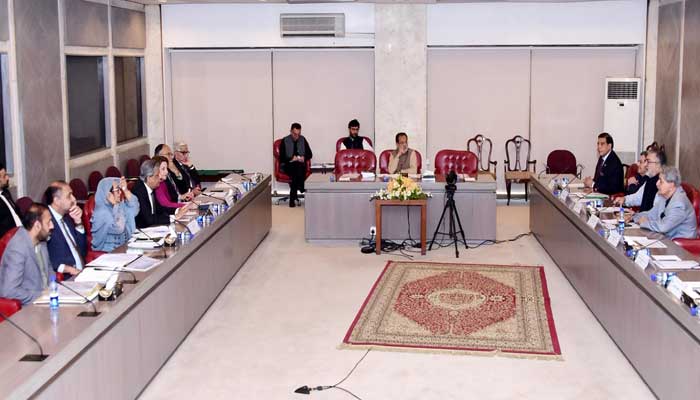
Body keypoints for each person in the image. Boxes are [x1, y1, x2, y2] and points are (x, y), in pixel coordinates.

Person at [0, 203, 55, 305]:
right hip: (30, 308)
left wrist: (55, 288)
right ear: (37, 225)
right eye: (48, 222)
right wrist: (42, 295)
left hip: (49, 300)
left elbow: (49, 268)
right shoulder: (17, 249)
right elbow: (8, 291)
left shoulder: (41, 239)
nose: (52, 226)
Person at [631, 166, 697, 239]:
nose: (657, 183)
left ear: (671, 185)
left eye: (661, 181)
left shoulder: (679, 203)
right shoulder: (665, 197)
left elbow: (663, 227)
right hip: (666, 239)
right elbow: (651, 214)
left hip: (680, 245)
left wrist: (644, 223)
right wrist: (633, 217)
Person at [44, 181, 87, 277]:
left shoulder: (66, 217)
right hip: (66, 278)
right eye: (69, 196)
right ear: (56, 200)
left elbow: (83, 251)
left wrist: (78, 222)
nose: (74, 199)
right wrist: (65, 268)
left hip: (82, 272)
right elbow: (40, 257)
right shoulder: (45, 222)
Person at [132, 159, 191, 228]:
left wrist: (177, 210)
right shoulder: (139, 191)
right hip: (142, 230)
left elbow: (160, 209)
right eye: (157, 175)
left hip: (152, 227)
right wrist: (173, 218)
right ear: (149, 177)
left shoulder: (150, 186)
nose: (160, 177)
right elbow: (149, 219)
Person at [91, 177, 139, 252]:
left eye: (120, 189)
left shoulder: (120, 205)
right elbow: (118, 228)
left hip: (125, 247)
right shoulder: (102, 213)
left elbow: (135, 209)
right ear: (108, 194)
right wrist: (116, 205)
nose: (120, 193)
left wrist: (125, 190)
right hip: (110, 252)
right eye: (117, 190)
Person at [278, 122, 313, 208]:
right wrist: (291, 159)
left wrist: (303, 158)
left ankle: (292, 198)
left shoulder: (303, 139)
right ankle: (301, 187)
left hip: (300, 165)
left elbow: (310, 154)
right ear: (290, 131)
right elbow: (281, 158)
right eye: (295, 134)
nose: (297, 136)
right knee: (297, 169)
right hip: (287, 165)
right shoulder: (284, 140)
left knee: (297, 170)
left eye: (298, 134)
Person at [0, 164, 22, 238]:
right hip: (9, 239)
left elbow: (17, 212)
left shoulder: (5, 192)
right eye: (4, 176)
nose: (7, 178)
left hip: (21, 232)